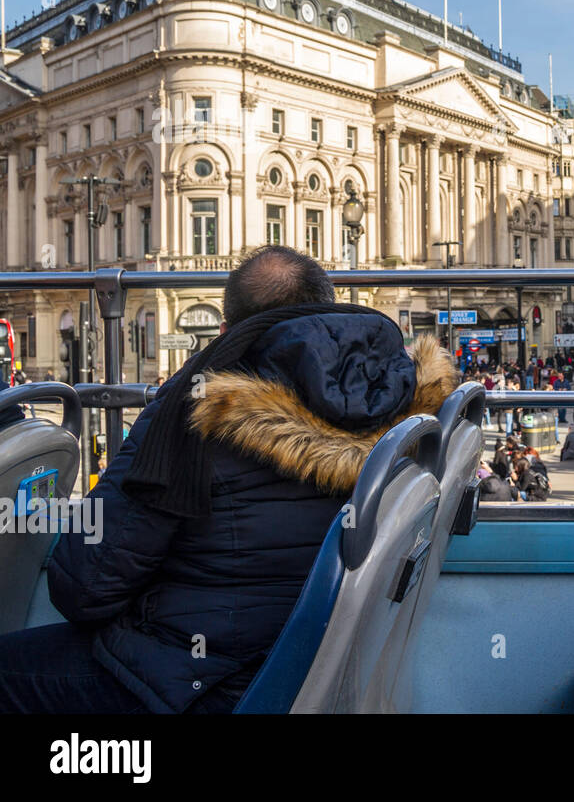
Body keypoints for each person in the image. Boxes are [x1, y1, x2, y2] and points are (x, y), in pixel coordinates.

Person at [0, 245, 457, 714]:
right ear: (330, 306)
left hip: (204, 682)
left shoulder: (192, 413)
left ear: (227, 333)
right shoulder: (411, 400)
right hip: (321, 671)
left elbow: (84, 589)